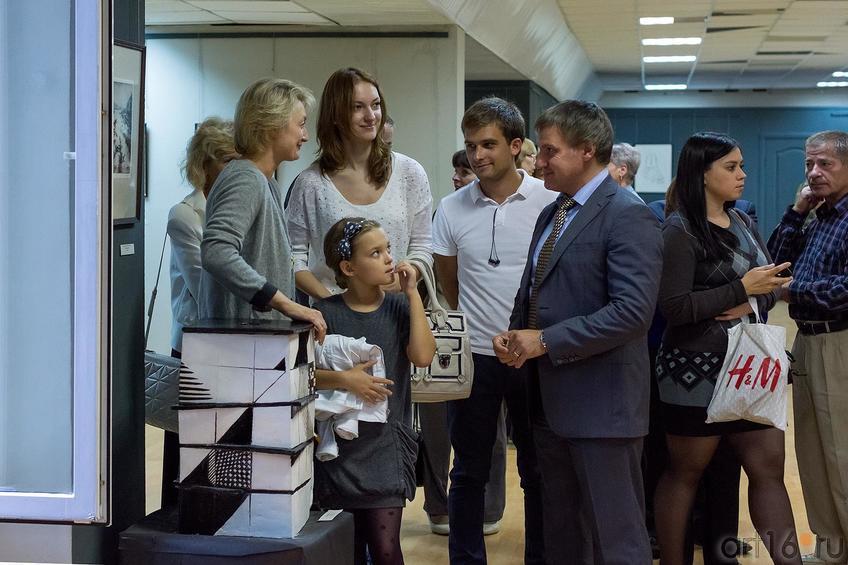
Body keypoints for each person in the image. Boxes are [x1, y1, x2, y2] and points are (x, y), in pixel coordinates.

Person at [493, 100, 663, 564]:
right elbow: (536, 291)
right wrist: (516, 334)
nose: (539, 162)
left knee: (617, 541)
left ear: (587, 150)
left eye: (550, 151)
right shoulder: (554, 212)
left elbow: (632, 313)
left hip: (602, 407)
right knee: (563, 539)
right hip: (547, 403)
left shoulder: (628, 214)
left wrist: (545, 340)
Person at [654, 132, 800, 565]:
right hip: (692, 370)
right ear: (702, 173)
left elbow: (771, 286)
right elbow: (674, 307)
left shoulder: (743, 221)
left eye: (742, 166)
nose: (742, 175)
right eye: (731, 167)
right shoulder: (678, 228)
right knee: (685, 474)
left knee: (769, 470)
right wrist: (740, 290)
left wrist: (750, 298)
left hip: (750, 365)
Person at [433, 97, 553, 564]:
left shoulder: (549, 200)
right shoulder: (451, 207)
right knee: (467, 471)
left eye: (488, 144)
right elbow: (449, 281)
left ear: (516, 145)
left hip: (533, 355)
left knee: (537, 471)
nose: (477, 155)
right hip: (474, 358)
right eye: (470, 146)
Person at [313, 217, 436, 565]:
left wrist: (412, 294)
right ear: (348, 268)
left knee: (386, 549)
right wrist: (346, 380)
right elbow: (303, 376)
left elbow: (423, 357)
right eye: (375, 252)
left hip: (387, 447)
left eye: (388, 249)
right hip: (339, 454)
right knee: (345, 550)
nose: (388, 258)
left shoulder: (399, 307)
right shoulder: (325, 313)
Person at [417, 145, 505, 539]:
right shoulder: (446, 212)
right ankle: (438, 506)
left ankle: (490, 507)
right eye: (457, 170)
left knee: (492, 432)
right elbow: (439, 277)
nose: (458, 177)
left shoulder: (515, 211)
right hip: (444, 334)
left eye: (464, 171)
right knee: (436, 427)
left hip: (491, 340)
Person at [768, 130, 848, 565]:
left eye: (825, 164)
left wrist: (790, 291)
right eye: (808, 164)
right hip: (807, 340)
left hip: (840, 342)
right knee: (814, 454)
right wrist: (797, 211)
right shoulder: (818, 216)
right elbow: (775, 262)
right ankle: (831, 549)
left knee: (842, 452)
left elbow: (844, 291)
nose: (814, 173)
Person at [286, 67, 433, 301]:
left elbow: (423, 246)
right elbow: (292, 257)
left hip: (395, 309)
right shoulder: (311, 183)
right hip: (331, 315)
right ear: (335, 115)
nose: (371, 116)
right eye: (357, 107)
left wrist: (405, 277)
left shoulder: (410, 173)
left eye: (376, 105)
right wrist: (332, 303)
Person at [198, 77, 326, 340]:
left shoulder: (266, 182)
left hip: (255, 344)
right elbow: (216, 252)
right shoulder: (246, 178)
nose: (305, 136)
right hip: (241, 348)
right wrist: (286, 304)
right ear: (272, 126)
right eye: (301, 124)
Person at [161, 117, 238, 507]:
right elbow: (205, 287)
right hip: (196, 345)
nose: (233, 170)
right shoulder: (186, 215)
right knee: (190, 450)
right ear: (204, 164)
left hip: (234, 344)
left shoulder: (239, 208)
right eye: (226, 160)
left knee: (226, 450)